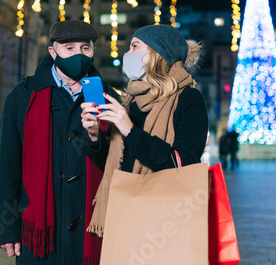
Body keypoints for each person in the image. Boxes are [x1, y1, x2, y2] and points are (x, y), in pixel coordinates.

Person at [0, 20, 120, 264]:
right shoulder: (23, 95)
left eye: (85, 48)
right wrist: (5, 229)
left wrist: (95, 137)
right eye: (69, 48)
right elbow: (7, 165)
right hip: (37, 234)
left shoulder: (109, 97)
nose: (78, 55)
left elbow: (116, 165)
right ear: (53, 51)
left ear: (92, 51)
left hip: (92, 230)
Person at [81, 24, 209, 237]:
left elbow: (182, 165)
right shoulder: (129, 101)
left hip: (166, 222)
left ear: (156, 54)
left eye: (134, 47)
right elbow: (114, 163)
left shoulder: (189, 99)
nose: (127, 53)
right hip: (123, 214)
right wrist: (94, 136)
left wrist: (130, 130)